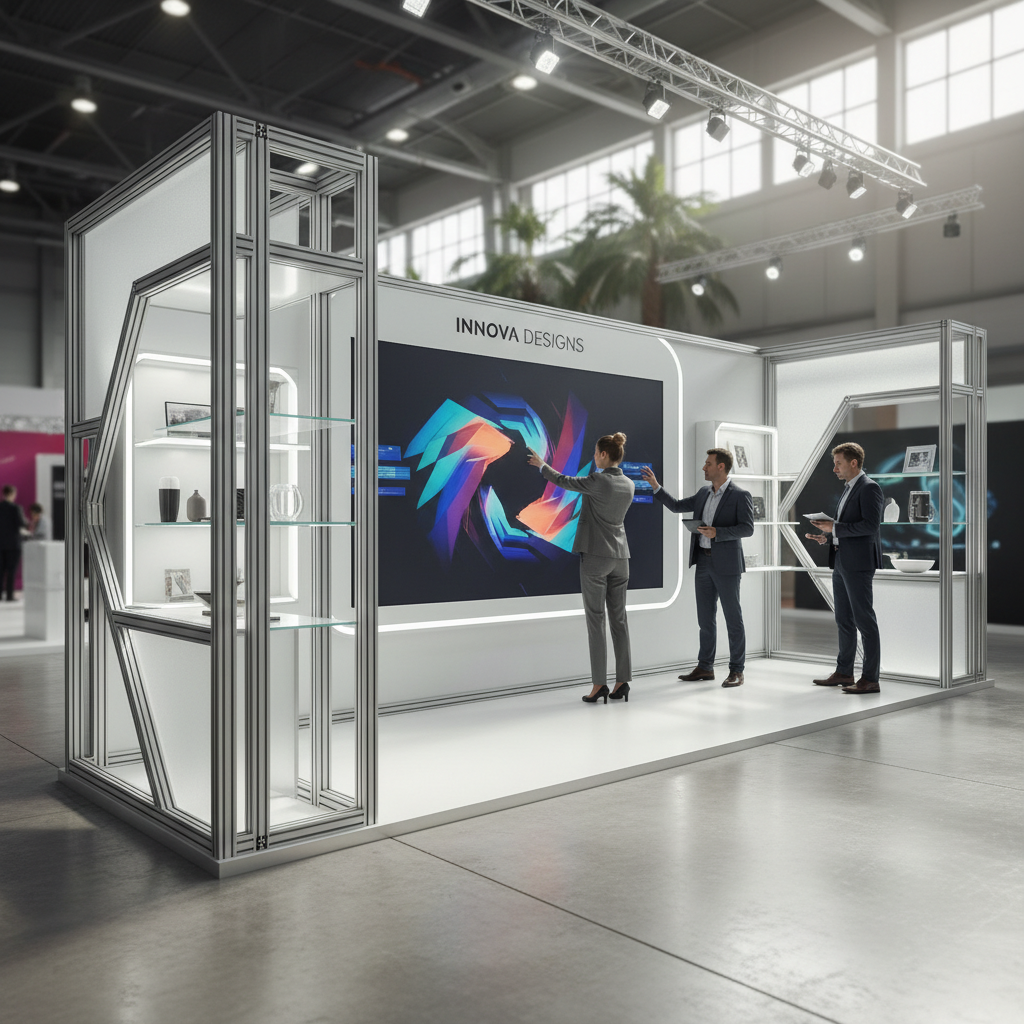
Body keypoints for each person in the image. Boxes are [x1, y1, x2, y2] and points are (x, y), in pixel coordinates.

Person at [527, 433, 635, 705]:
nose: (594, 456)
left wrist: (542, 465)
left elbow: (565, 481)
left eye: (596, 452)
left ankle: (599, 684)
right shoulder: (629, 484)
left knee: (596, 621)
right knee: (619, 620)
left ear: (603, 455)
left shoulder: (598, 480)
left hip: (597, 556)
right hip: (621, 557)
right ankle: (622, 681)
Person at [641, 449, 754, 687]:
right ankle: (705, 667)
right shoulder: (704, 493)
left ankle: (737, 670)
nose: (704, 467)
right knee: (705, 619)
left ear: (721, 467)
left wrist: (717, 533)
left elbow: (747, 528)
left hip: (727, 565)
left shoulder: (740, 495)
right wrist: (655, 486)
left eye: (708, 464)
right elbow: (676, 506)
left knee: (733, 619)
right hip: (703, 562)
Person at [805, 442, 884, 694]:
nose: (834, 468)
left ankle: (870, 679)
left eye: (838, 463)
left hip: (858, 563)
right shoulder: (849, 488)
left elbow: (871, 526)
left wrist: (835, 528)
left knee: (864, 621)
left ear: (853, 462)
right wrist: (827, 537)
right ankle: (844, 672)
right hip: (841, 560)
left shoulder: (870, 488)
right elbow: (848, 527)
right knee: (844, 620)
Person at [0, 485, 27, 601]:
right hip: (13, 544)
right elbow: (22, 523)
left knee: (1, 571)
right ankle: (9, 595)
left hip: (1, 544)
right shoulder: (16, 508)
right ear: (12, 494)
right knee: (11, 571)